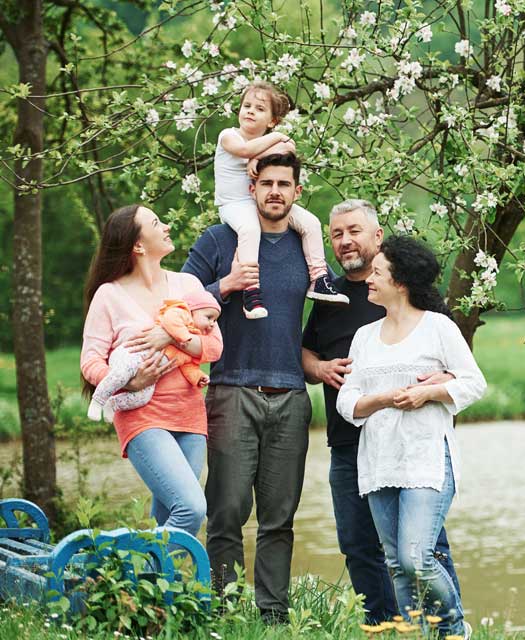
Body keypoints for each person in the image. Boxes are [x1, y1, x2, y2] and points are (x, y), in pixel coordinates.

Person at [302, 200, 461, 624]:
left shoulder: (415, 300)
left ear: (377, 236)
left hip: (410, 445)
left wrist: (435, 385)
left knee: (424, 548)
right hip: (348, 441)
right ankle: (388, 628)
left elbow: (455, 367)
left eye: (353, 230)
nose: (344, 240)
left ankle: (448, 628)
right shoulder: (328, 296)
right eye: (336, 234)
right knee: (361, 546)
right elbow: (307, 350)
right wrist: (317, 367)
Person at [182, 152, 313, 625]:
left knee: (279, 517)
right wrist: (228, 285)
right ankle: (228, 613)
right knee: (227, 511)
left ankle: (274, 617)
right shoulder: (220, 240)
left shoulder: (306, 247)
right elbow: (177, 301)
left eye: (285, 184)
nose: (275, 191)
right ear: (252, 187)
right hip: (232, 390)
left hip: (292, 397)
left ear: (298, 192)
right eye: (267, 183)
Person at [336, 235, 486, 638]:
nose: (369, 278)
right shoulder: (365, 337)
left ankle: (454, 628)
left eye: (378, 272)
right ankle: (417, 634)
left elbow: (474, 384)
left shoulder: (438, 328)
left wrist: (428, 392)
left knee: (416, 557)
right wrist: (382, 399)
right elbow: (346, 403)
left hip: (426, 460)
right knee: (396, 563)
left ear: (399, 282)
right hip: (379, 461)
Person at [80, 204, 223, 536]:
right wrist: (129, 383)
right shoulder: (109, 295)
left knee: (169, 517)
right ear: (138, 245)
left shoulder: (187, 284)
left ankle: (151, 586)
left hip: (190, 415)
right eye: (157, 222)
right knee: (191, 508)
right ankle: (138, 583)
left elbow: (214, 346)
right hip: (142, 417)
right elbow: (90, 361)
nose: (167, 226)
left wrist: (173, 335)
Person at [214, 80, 348, 318]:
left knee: (311, 223)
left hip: (263, 202)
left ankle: (319, 278)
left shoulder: (274, 140)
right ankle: (251, 291)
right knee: (250, 229)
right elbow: (246, 151)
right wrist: (275, 141)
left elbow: (290, 149)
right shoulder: (229, 135)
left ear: (272, 121)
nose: (251, 111)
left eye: (259, 108)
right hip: (234, 204)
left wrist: (267, 151)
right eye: (247, 106)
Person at [87, 290, 221, 422]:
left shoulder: (191, 341)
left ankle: (113, 404)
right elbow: (170, 321)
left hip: (150, 373)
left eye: (215, 320)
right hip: (133, 355)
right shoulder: (182, 312)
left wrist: (198, 377)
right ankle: (98, 400)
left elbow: (188, 366)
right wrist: (183, 338)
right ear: (193, 310)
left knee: (143, 397)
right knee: (121, 374)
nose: (212, 324)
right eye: (208, 317)